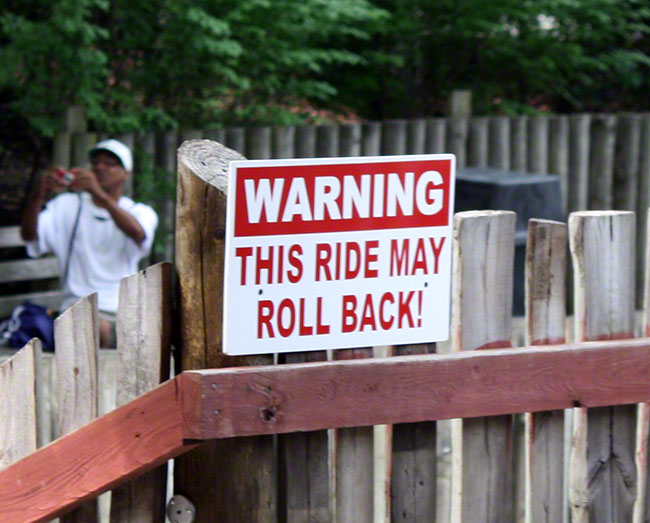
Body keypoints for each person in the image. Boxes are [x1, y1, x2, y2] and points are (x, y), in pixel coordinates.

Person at [20, 139, 158, 348]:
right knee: (93, 326)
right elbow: (30, 236)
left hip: (123, 311)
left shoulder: (139, 212)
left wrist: (98, 194)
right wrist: (40, 193)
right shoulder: (66, 205)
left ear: (125, 173)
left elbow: (138, 234)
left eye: (110, 163)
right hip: (75, 309)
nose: (100, 167)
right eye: (96, 162)